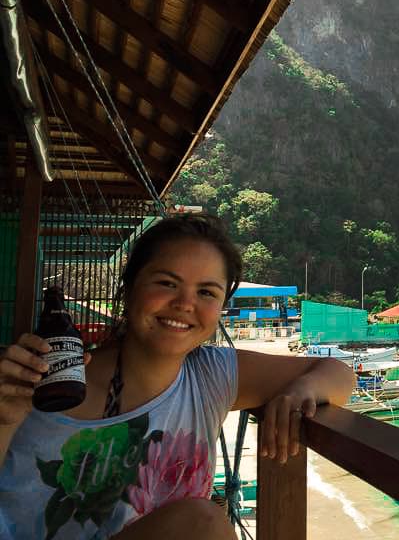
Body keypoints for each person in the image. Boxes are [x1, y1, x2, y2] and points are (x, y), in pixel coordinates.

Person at [0, 214, 354, 539]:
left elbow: (337, 372)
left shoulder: (210, 374)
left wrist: (300, 391)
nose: (185, 304)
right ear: (130, 287)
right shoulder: (46, 377)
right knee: (202, 524)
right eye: (167, 283)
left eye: (206, 292)